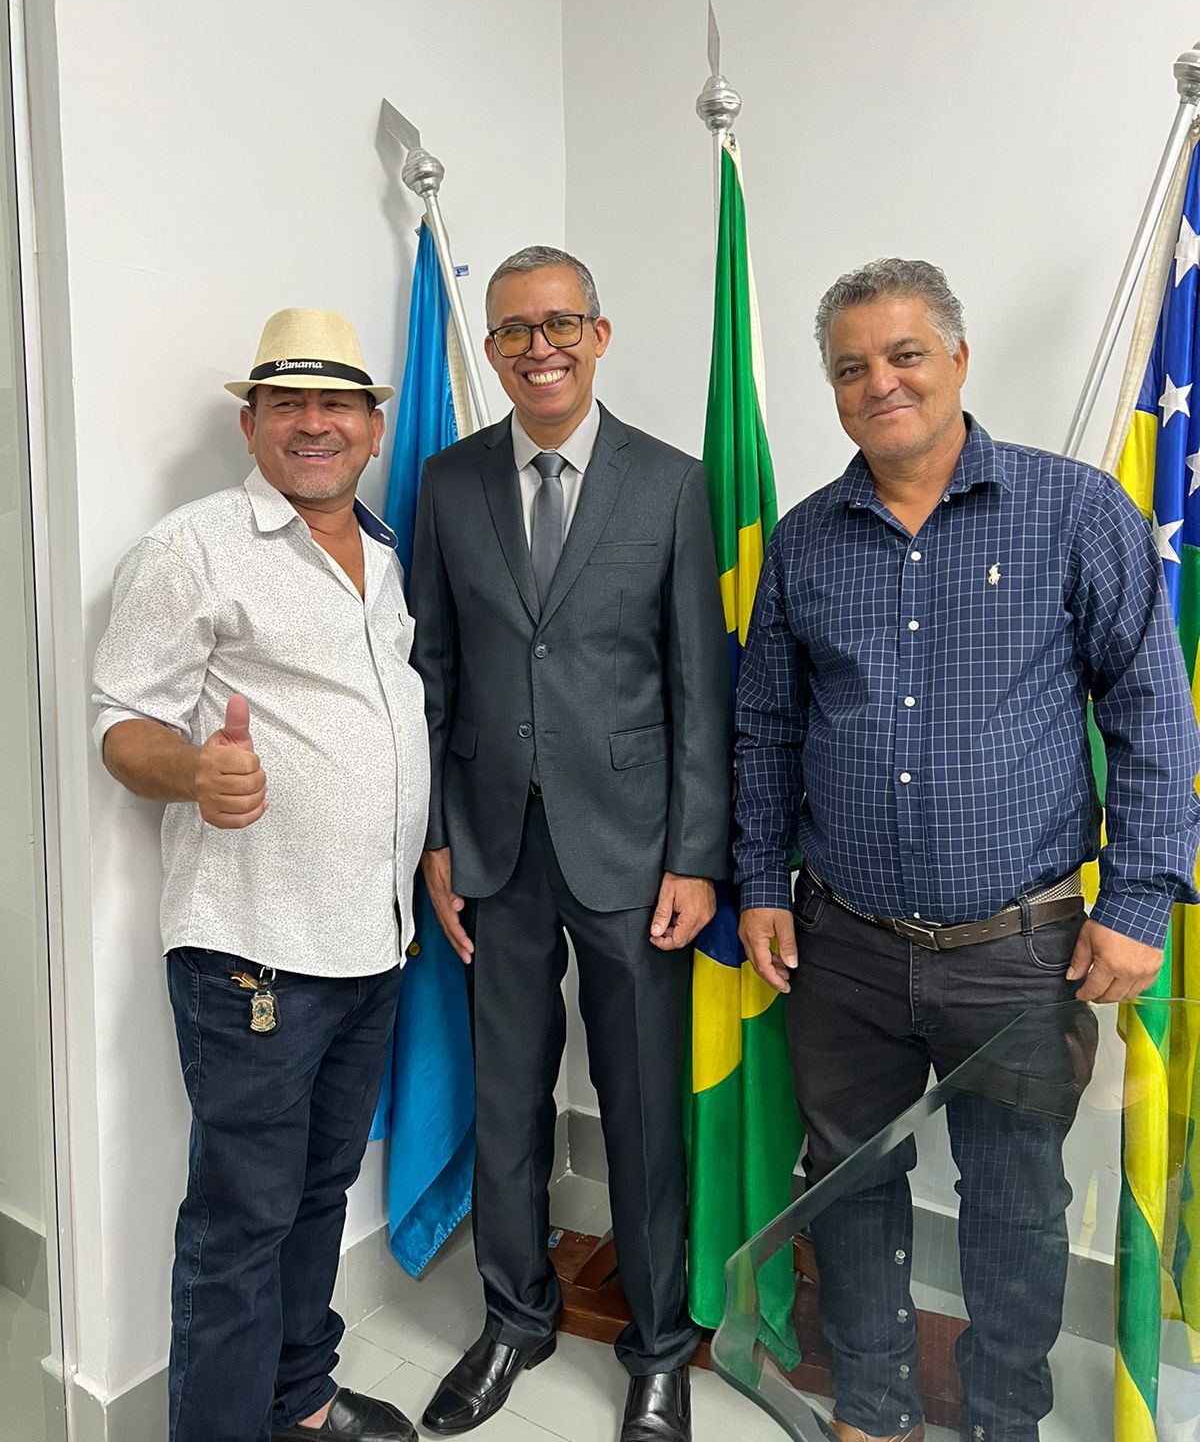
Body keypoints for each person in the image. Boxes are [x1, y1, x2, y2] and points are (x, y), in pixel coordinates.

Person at [734, 259, 1200, 1442]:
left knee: (1016, 1203)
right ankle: (875, 1406)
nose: (879, 383)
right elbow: (767, 727)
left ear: (956, 357)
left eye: (904, 355)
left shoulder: (1075, 510)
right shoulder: (804, 541)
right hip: (842, 943)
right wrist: (759, 880)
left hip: (1021, 950)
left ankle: (1003, 1418)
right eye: (851, 367)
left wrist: (1139, 900)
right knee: (848, 1182)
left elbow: (1151, 710)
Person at [409, 245, 730, 1442]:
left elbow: (700, 684)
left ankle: (658, 1348)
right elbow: (432, 667)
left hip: (636, 854)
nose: (536, 348)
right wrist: (435, 836)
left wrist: (696, 854)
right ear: (492, 349)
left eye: (557, 324)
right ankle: (514, 1317)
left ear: (598, 334)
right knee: (506, 1099)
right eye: (512, 330)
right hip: (493, 848)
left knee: (642, 1111)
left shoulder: (671, 483)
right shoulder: (448, 482)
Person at [93, 308, 429, 1442]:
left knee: (321, 1192)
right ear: (251, 424)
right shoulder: (194, 548)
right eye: (288, 403)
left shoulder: (385, 551)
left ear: (372, 427)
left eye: (337, 404)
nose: (314, 424)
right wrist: (195, 771)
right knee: (241, 1224)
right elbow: (120, 720)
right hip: (255, 957)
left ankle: (301, 1398)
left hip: (373, 941)